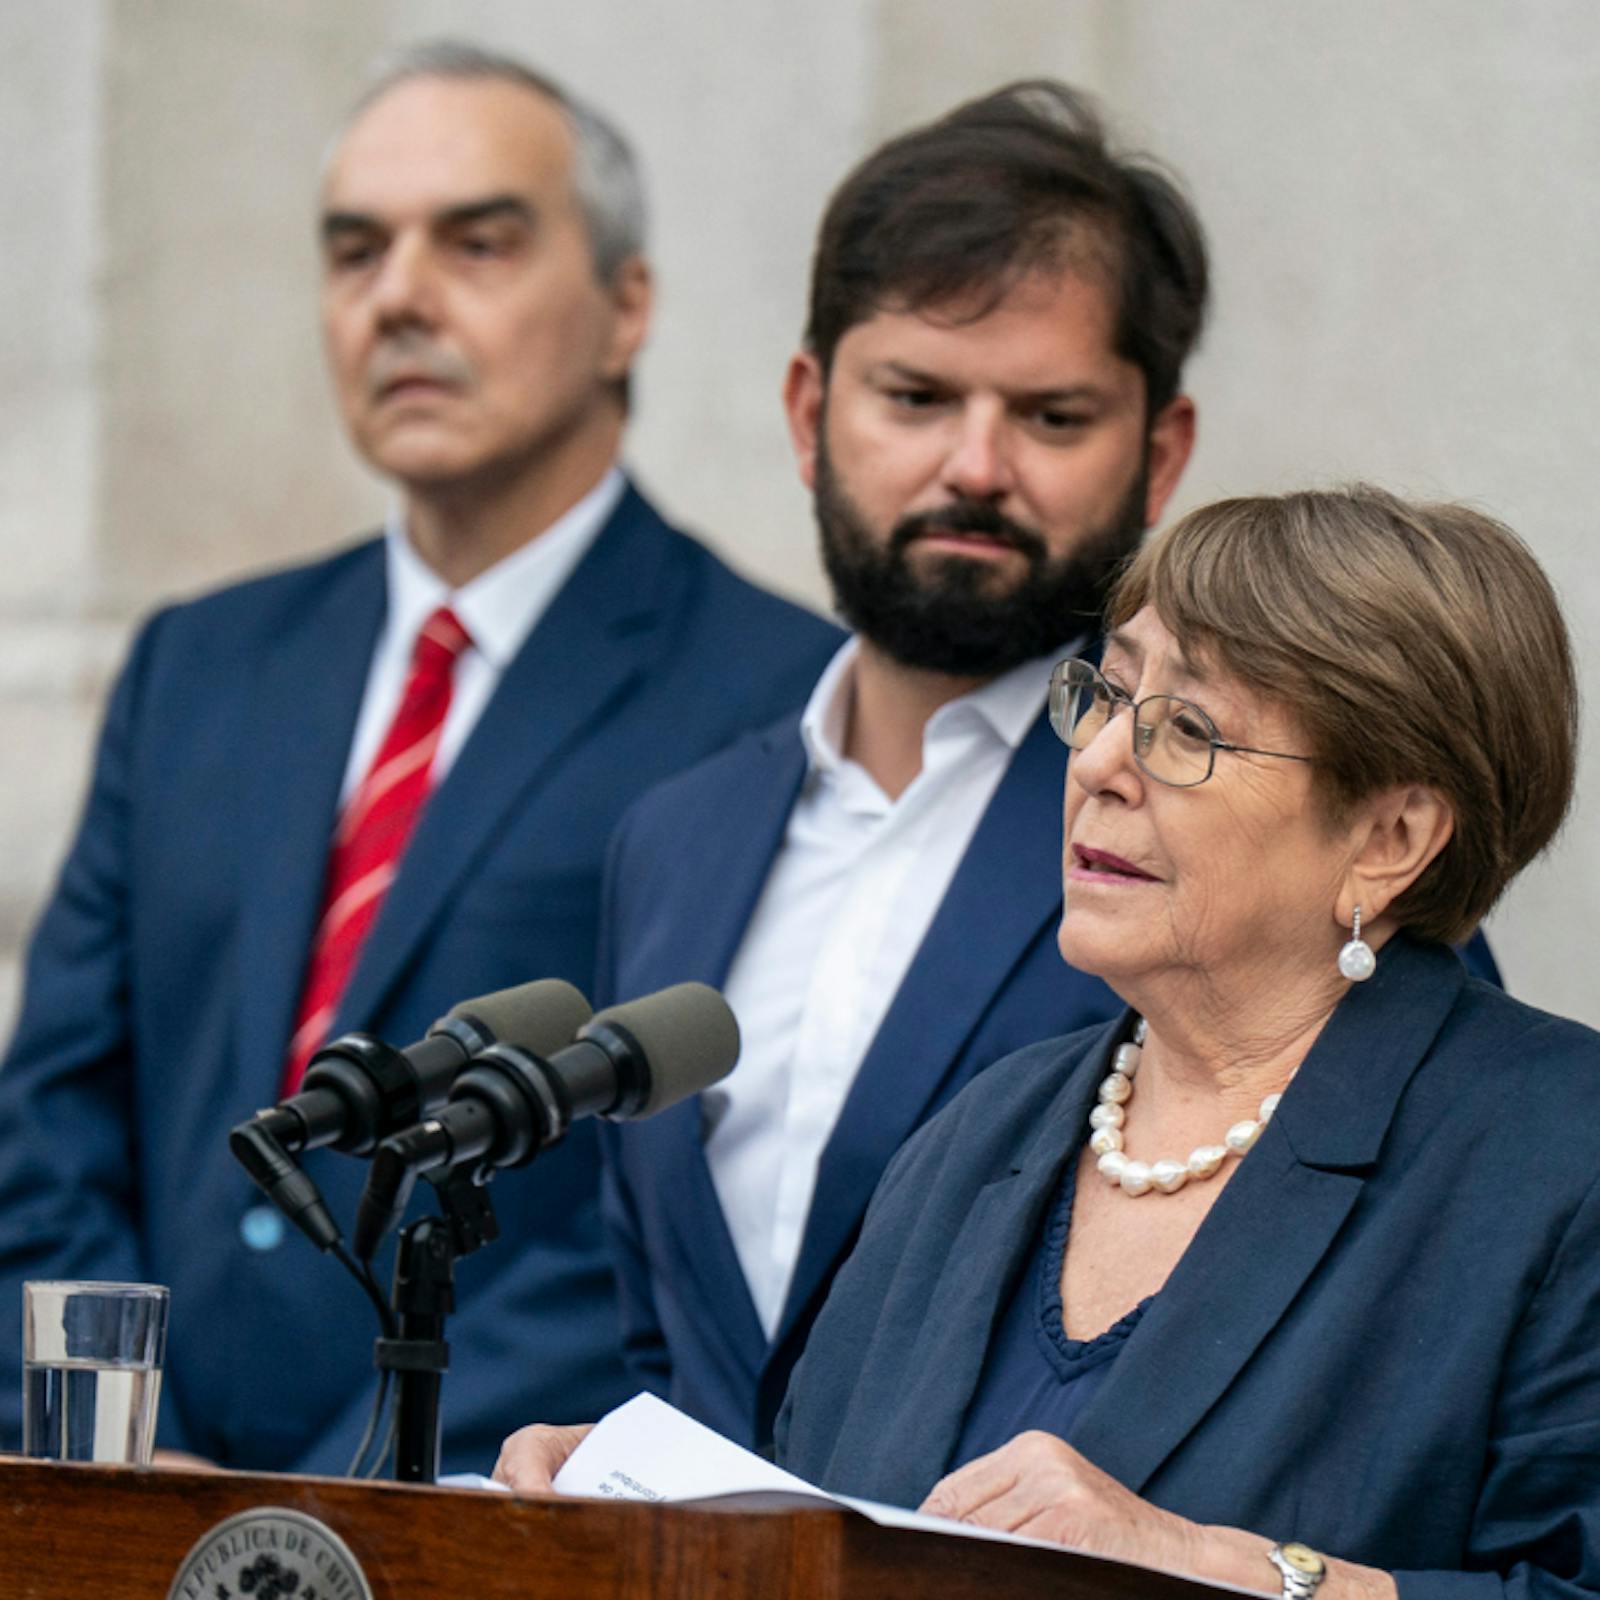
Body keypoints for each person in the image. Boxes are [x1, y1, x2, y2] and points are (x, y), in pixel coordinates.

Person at [588, 82, 1499, 1455]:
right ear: (806, 409)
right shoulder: (676, 836)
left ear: (1163, 452)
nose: (976, 465)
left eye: (1054, 416)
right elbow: (662, 1331)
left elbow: (1419, 1331)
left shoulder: (1258, 839)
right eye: (916, 395)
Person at [503, 487, 1595, 1598]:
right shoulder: (983, 1133)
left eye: (1186, 730)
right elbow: (838, 1524)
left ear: (1389, 837)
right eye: (1109, 696)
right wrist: (646, 1504)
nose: (1099, 763)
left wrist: (1215, 1568)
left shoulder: (1558, 1159)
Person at [0, 42, 838, 1474]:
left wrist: (350, 1505)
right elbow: (54, 1122)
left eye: (479, 241)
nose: (399, 296)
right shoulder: (199, 665)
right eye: (354, 251)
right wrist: (127, 1470)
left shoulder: (771, 694)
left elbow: (684, 1204)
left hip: (478, 1510)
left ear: (625, 305)